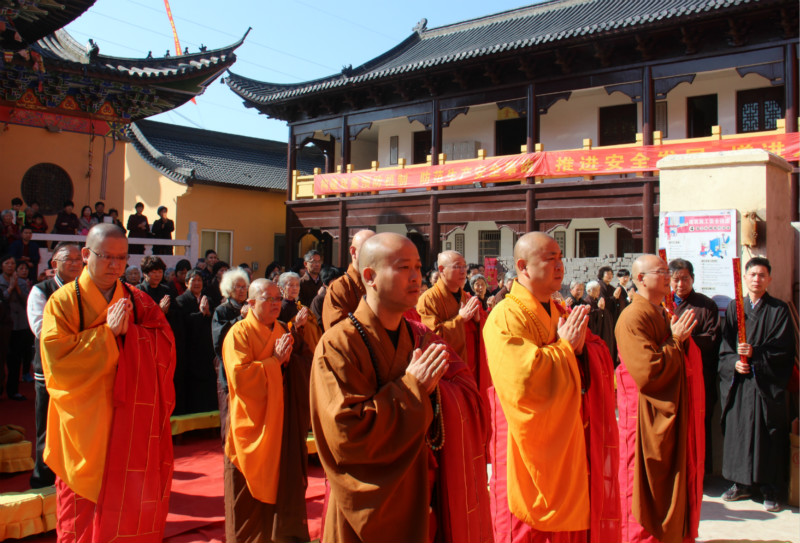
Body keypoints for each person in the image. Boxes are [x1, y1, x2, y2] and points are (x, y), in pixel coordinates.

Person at [310, 232, 492, 543]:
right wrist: (412, 388)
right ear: (370, 276)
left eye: (419, 268)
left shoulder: (421, 337)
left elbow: (466, 390)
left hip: (422, 490)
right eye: (403, 267)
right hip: (368, 507)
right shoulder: (337, 346)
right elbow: (345, 435)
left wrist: (436, 392)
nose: (416, 277)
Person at [40, 223, 175, 542]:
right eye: (106, 257)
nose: (115, 265)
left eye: (121, 258)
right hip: (83, 422)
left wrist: (135, 335)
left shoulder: (137, 300)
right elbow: (56, 360)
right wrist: (107, 334)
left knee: (127, 505)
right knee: (79, 511)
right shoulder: (63, 303)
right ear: (86, 254)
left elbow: (165, 343)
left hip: (127, 419)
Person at [483, 232, 620, 543]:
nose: (559, 265)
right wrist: (566, 349)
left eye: (560, 258)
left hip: (567, 441)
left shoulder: (558, 310)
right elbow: (524, 381)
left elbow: (587, 356)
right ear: (523, 266)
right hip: (528, 447)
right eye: (550, 259)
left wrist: (582, 349)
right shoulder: (505, 316)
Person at [615, 254, 704, 543]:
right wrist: (675, 340)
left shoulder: (660, 312)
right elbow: (648, 373)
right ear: (640, 278)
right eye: (662, 272)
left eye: (668, 271)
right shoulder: (632, 316)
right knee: (645, 490)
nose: (669, 276)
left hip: (666, 413)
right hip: (645, 419)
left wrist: (679, 339)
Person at [221, 278, 310, 543]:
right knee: (246, 492)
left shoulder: (284, 329)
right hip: (252, 424)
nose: (275, 303)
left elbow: (304, 361)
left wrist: (289, 360)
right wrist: (275, 362)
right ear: (249, 303)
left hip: (281, 421)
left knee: (284, 484)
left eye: (277, 298)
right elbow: (240, 378)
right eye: (267, 298)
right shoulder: (238, 334)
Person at [718, 257, 795, 512]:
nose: (757, 279)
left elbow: (783, 351)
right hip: (741, 383)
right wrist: (733, 364)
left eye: (762, 275)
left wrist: (755, 354)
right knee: (738, 430)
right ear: (745, 277)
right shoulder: (734, 308)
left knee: (767, 432)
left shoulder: (778, 310)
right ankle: (740, 484)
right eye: (752, 274)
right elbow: (725, 347)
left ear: (769, 279)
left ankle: (770, 488)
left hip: (765, 384)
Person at [26, 241, 83, 488]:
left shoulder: (86, 291)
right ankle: (44, 476)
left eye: (78, 259)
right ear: (54, 263)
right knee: (47, 425)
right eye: (67, 259)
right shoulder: (41, 291)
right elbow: (43, 331)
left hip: (82, 368)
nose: (74, 263)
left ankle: (75, 478)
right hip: (50, 370)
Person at [417, 250, 491, 405]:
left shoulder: (468, 297)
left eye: (465, 266)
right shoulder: (428, 299)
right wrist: (460, 319)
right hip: (449, 374)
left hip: (472, 369)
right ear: (442, 270)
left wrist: (479, 321)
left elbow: (488, 329)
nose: (464, 271)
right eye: (458, 267)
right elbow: (431, 337)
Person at [669, 258, 721, 474]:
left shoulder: (706, 304)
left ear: (693, 279)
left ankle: (700, 472)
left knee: (698, 423)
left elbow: (712, 339)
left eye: (685, 279)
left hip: (699, 375)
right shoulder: (663, 304)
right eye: (676, 279)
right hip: (671, 375)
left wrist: (684, 340)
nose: (680, 284)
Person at [212, 267, 250, 444]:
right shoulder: (222, 311)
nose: (242, 291)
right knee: (229, 411)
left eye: (244, 287)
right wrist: (239, 319)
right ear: (229, 289)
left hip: (248, 366)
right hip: (228, 368)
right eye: (238, 287)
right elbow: (219, 340)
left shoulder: (251, 308)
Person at [172, 269, 217, 415]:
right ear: (186, 283)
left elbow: (212, 322)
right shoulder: (180, 301)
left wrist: (208, 314)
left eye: (199, 280)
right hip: (190, 351)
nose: (197, 283)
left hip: (206, 349)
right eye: (193, 280)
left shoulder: (208, 300)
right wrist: (200, 314)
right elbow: (182, 324)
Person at [321, 229, 375, 330]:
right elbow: (337, 333)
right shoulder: (339, 288)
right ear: (353, 252)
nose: (374, 255)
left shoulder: (381, 284)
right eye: (368, 249)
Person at [0, 255, 31, 399]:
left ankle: (14, 391)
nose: (10, 266)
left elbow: (27, 302)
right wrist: (10, 288)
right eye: (7, 263)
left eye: (13, 263)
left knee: (16, 359)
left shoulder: (23, 283)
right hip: (4, 325)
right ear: (2, 266)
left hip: (20, 325)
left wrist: (17, 287)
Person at [596, 266, 618, 362]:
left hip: (611, 317)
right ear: (602, 275)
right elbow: (603, 302)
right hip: (603, 317)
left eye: (611, 274)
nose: (610, 276)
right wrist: (613, 298)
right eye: (607, 274)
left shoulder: (611, 288)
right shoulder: (599, 286)